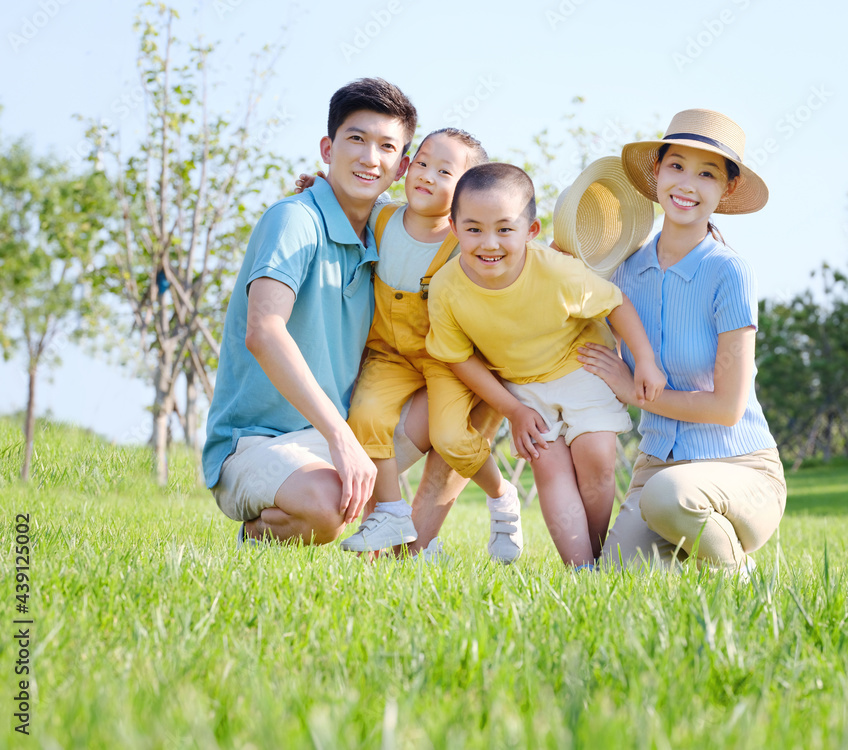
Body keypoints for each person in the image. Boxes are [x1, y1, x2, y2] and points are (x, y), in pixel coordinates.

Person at [203, 77, 470, 548]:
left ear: (402, 167)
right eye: (356, 139)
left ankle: (414, 542)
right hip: (258, 443)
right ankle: (257, 534)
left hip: (344, 433)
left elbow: (469, 234)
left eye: (387, 147)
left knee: (467, 388)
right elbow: (263, 332)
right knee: (329, 506)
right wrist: (341, 438)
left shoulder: (387, 233)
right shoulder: (294, 220)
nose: (370, 158)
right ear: (328, 148)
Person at [577, 109, 787, 578]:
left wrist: (635, 393)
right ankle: (698, 553)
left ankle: (740, 577)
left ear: (727, 188)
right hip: (657, 468)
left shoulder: (729, 272)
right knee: (616, 579)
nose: (686, 184)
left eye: (707, 173)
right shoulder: (624, 274)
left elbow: (726, 408)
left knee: (668, 497)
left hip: (742, 470)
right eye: (676, 166)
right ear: (656, 173)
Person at [426, 163, 667, 567]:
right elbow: (459, 358)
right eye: (473, 229)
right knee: (549, 467)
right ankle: (581, 570)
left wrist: (645, 361)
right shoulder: (447, 288)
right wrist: (514, 410)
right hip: (523, 387)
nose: (489, 243)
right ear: (453, 227)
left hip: (583, 366)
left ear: (531, 231)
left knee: (597, 458)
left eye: (505, 229)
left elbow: (616, 303)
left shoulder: (556, 272)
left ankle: (596, 556)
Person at [325, 128, 522, 562]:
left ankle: (501, 495)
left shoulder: (463, 241)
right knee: (365, 416)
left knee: (453, 437)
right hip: (388, 355)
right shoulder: (379, 218)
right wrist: (317, 183)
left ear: (468, 192)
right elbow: (338, 203)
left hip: (442, 360)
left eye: (445, 171)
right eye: (422, 162)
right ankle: (392, 511)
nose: (427, 175)